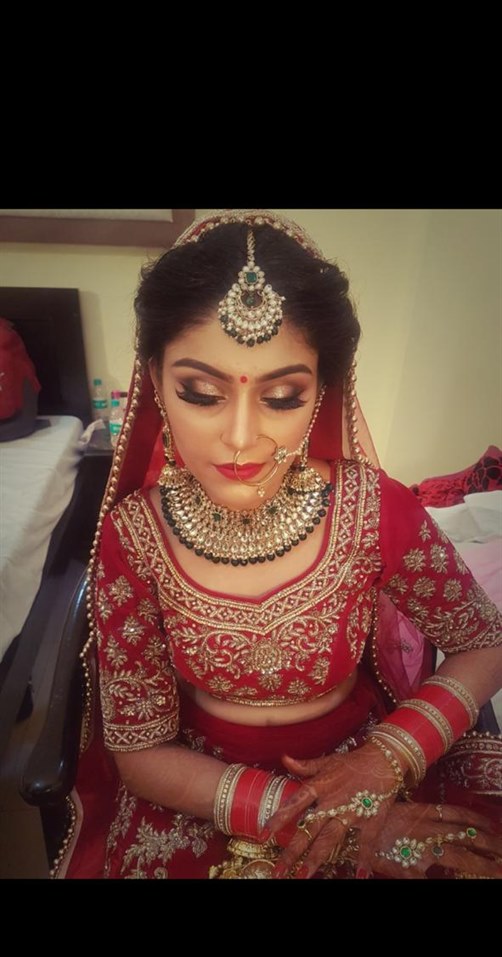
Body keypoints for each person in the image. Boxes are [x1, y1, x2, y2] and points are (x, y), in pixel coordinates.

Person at [58, 210, 502, 880]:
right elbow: (141, 752)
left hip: (365, 764)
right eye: (200, 392)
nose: (241, 438)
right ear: (154, 381)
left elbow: (484, 642)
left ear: (320, 392)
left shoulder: (371, 508)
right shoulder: (136, 537)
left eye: (283, 396)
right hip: (199, 789)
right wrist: (319, 819)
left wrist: (386, 759)